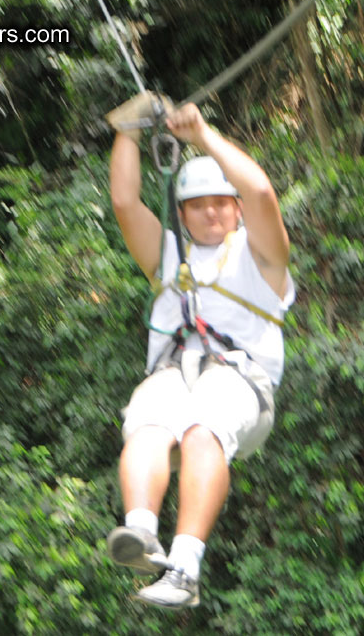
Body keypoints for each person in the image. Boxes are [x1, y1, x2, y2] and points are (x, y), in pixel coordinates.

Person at [106, 96, 294, 609]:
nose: (211, 211)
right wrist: (127, 131)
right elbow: (125, 203)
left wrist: (203, 136)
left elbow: (261, 191)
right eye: (196, 204)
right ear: (182, 214)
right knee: (146, 420)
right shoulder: (170, 256)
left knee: (202, 426)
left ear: (236, 208)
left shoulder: (262, 258)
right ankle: (141, 533)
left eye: (220, 202)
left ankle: (186, 567)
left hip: (239, 379)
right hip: (176, 371)